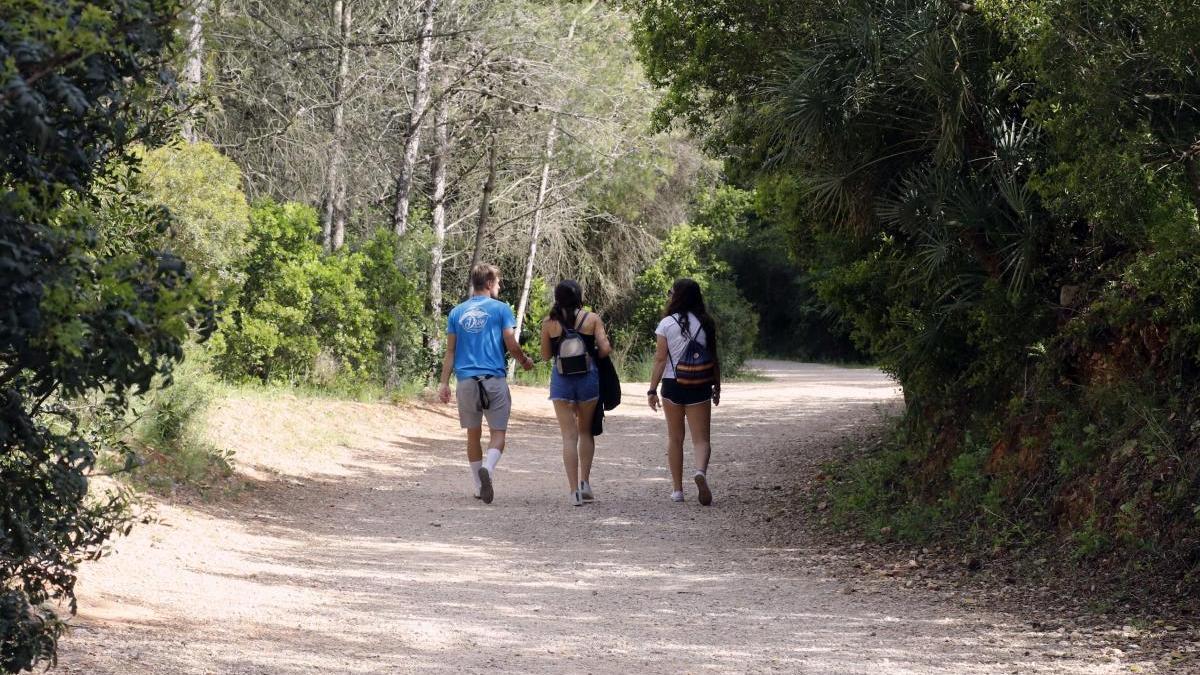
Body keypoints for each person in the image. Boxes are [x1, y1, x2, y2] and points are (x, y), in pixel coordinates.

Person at [439, 263, 534, 504]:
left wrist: (443, 383)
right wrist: (523, 361)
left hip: (466, 382)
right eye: (498, 282)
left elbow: (450, 351)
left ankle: (479, 485)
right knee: (498, 433)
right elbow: (511, 343)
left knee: (473, 434)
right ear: (489, 283)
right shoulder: (501, 310)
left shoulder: (456, 313)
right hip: (493, 380)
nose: (499, 286)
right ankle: (488, 470)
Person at [647, 278, 721, 505]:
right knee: (701, 439)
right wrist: (717, 385)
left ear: (676, 296)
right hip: (699, 384)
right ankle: (700, 471)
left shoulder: (667, 324)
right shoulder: (706, 322)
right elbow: (713, 357)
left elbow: (660, 360)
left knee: (675, 438)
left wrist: (652, 390)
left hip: (673, 384)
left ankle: (677, 490)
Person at [540, 280, 611, 506]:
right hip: (588, 380)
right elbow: (606, 348)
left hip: (561, 382)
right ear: (579, 296)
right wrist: (594, 355)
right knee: (585, 432)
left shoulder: (549, 323)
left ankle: (573, 493)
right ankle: (585, 483)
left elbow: (544, 355)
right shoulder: (592, 319)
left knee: (568, 437)